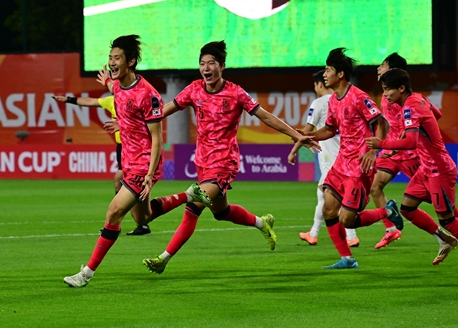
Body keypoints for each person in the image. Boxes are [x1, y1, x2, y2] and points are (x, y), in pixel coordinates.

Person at [142, 41, 319, 275]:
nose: (206, 68)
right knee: (221, 212)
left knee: (194, 205)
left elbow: (266, 116)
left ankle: (163, 258)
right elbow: (162, 111)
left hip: (224, 163)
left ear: (222, 66)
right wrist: (131, 123)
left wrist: (296, 135)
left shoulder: (236, 93)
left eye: (211, 63)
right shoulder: (194, 89)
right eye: (202, 63)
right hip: (202, 162)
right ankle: (262, 223)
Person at [63, 35, 208, 288]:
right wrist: (119, 112)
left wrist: (150, 175)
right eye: (110, 58)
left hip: (144, 164)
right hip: (129, 162)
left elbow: (157, 137)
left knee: (114, 213)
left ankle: (86, 273)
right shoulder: (118, 86)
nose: (111, 62)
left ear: (130, 61)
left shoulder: (148, 95)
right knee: (143, 218)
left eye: (117, 58)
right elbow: (116, 92)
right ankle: (189, 195)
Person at [367, 69, 458, 272]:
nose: (386, 94)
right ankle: (445, 240)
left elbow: (411, 142)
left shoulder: (409, 107)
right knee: (407, 208)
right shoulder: (419, 98)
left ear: (401, 88)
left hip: (439, 169)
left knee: (447, 219)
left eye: (388, 89)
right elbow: (437, 114)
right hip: (426, 168)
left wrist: (381, 144)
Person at [303, 48, 404, 270]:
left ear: (340, 74)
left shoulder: (358, 97)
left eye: (328, 70)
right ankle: (348, 259)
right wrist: (308, 136)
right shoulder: (333, 101)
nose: (324, 75)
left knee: (347, 219)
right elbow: (329, 130)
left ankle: (388, 211)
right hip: (341, 163)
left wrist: (372, 151)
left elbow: (381, 122)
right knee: (329, 209)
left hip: (359, 167)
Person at [371, 53, 458, 249]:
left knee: (433, 195)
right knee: (375, 186)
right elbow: (387, 123)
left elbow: (430, 117)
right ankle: (391, 229)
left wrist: (411, 134)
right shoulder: (386, 96)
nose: (378, 68)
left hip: (410, 151)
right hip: (392, 150)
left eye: (382, 65)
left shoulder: (409, 100)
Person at [53, 67, 152, 236]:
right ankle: (135, 221)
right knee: (120, 182)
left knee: (120, 179)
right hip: (122, 147)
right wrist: (68, 100)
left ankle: (125, 220)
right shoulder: (111, 101)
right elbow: (90, 101)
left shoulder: (138, 99)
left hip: (135, 148)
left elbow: (149, 123)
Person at [289, 71, 359, 247]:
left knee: (329, 196)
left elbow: (307, 131)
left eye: (315, 85)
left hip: (330, 158)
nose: (315, 88)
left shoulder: (319, 103)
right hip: (346, 155)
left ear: (320, 84)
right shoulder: (341, 100)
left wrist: (294, 150)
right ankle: (314, 234)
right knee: (323, 194)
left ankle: (350, 236)